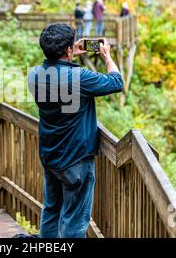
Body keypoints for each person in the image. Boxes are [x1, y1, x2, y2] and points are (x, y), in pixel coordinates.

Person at [27, 23, 123, 238]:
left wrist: (70, 55)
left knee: (51, 210)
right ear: (68, 50)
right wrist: (107, 56)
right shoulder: (79, 78)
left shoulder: (34, 75)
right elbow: (116, 82)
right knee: (75, 220)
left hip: (50, 155)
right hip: (75, 159)